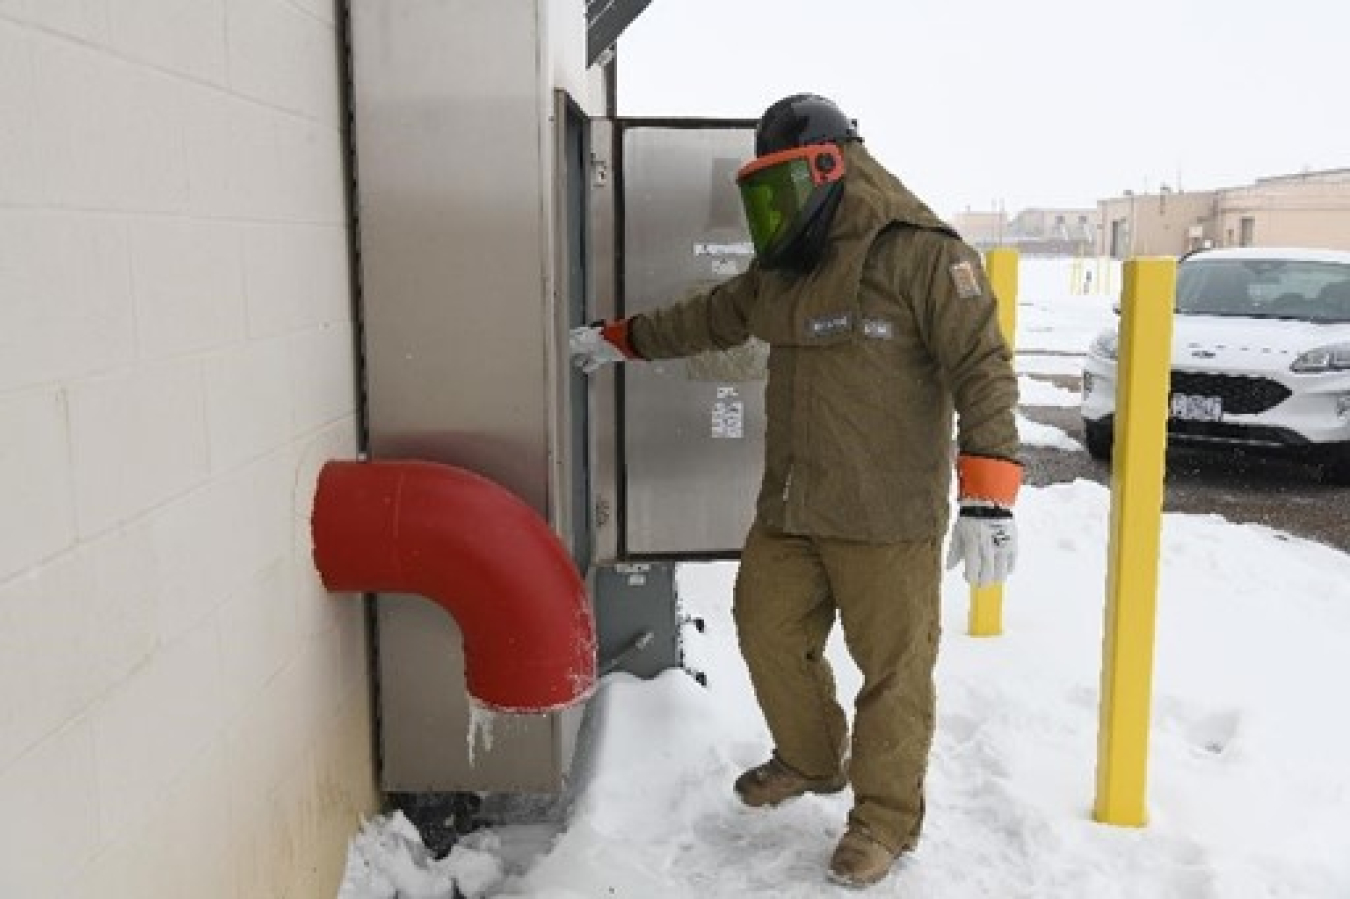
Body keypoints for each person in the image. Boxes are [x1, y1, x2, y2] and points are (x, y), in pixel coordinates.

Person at [570, 93, 1020, 888]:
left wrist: (988, 493)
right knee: (764, 626)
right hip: (792, 507)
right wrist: (618, 340)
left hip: (887, 516)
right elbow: (711, 316)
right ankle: (813, 760)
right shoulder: (788, 268)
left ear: (828, 165)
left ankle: (883, 820)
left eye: (784, 187)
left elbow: (982, 366)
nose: (775, 210)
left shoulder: (921, 253)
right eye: (762, 192)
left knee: (893, 672)